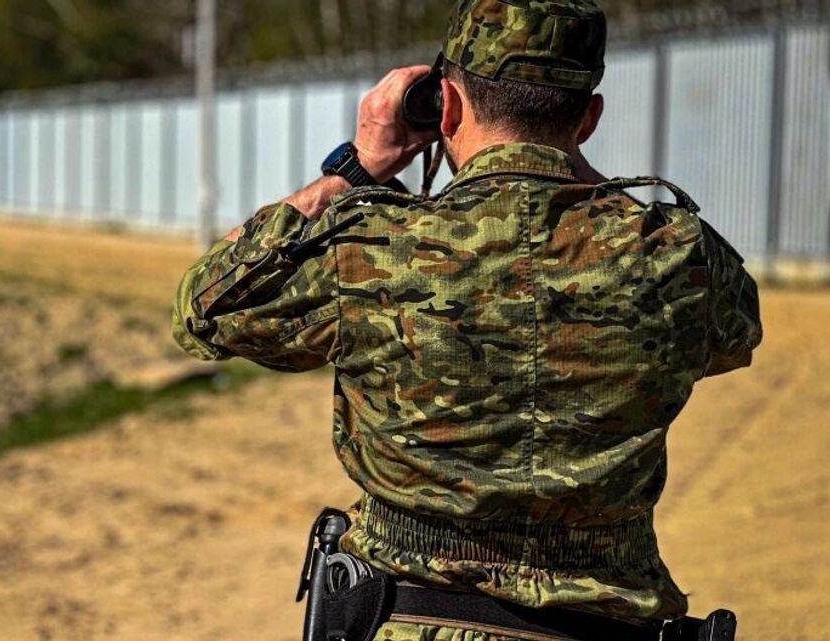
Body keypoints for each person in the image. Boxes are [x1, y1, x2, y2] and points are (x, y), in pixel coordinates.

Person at [172, 0, 763, 639]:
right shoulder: (676, 254)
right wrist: (579, 178)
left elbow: (205, 308)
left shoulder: (372, 249)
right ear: (590, 118)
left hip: (412, 617)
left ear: (446, 107)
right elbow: (736, 333)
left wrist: (358, 166)